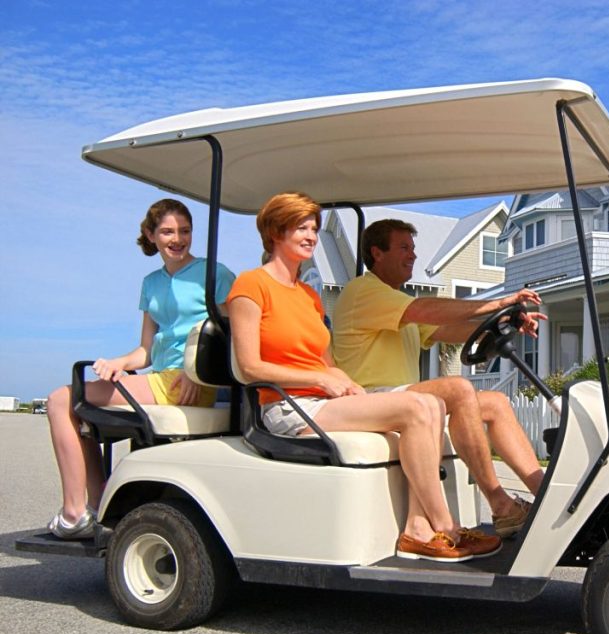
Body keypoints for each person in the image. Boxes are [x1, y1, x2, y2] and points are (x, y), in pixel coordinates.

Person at [227, 192, 500, 562]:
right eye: (301, 228)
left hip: (320, 402)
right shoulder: (251, 285)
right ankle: (447, 527)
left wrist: (346, 383)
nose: (311, 236)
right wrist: (321, 381)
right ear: (276, 232)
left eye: (313, 228)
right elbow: (249, 367)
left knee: (432, 403)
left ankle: (417, 529)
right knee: (418, 407)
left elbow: (327, 362)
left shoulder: (308, 296)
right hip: (285, 406)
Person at [332, 219, 546, 538]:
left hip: (401, 397)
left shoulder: (395, 302)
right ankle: (501, 504)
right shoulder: (363, 292)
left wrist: (506, 322)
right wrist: (498, 303)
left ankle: (546, 496)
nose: (413, 255)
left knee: (496, 403)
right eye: (404, 247)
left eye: (413, 248)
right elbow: (427, 311)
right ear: (377, 253)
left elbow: (445, 330)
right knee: (458, 389)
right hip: (369, 399)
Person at [46, 199, 236, 539]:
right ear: (151, 235)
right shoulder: (151, 283)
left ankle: (74, 515)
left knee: (60, 400)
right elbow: (146, 351)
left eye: (185, 231)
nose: (178, 239)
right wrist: (118, 364)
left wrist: (195, 373)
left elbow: (230, 334)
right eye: (168, 232)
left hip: (190, 382)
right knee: (79, 411)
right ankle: (97, 504)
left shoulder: (214, 274)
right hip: (161, 378)